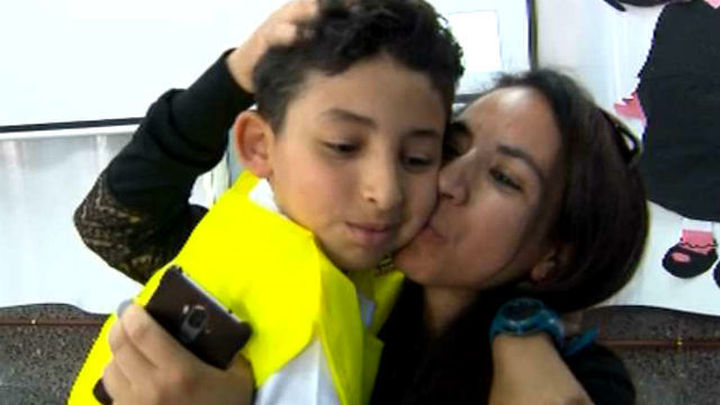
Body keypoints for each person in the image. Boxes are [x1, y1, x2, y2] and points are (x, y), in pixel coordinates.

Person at [73, 1, 647, 404]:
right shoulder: (345, 266)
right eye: (449, 148)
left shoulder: (577, 381)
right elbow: (114, 225)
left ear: (553, 255)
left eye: (503, 177)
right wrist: (238, 74)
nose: (446, 179)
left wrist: (522, 328)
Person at [69, 1, 463, 404]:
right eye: (343, 146)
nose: (385, 192)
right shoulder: (292, 280)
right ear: (259, 147)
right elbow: (112, 224)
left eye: (418, 159)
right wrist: (235, 75)